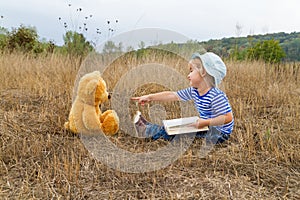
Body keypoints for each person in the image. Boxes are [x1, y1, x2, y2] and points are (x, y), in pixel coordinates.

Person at [131, 52, 234, 144]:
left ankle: (147, 131)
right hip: (207, 126)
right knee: (178, 127)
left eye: (191, 70)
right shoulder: (194, 91)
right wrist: (150, 97)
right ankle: (150, 127)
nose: (188, 75)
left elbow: (228, 118)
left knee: (179, 133)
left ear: (203, 72)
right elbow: (172, 95)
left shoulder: (216, 96)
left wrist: (205, 122)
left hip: (219, 134)